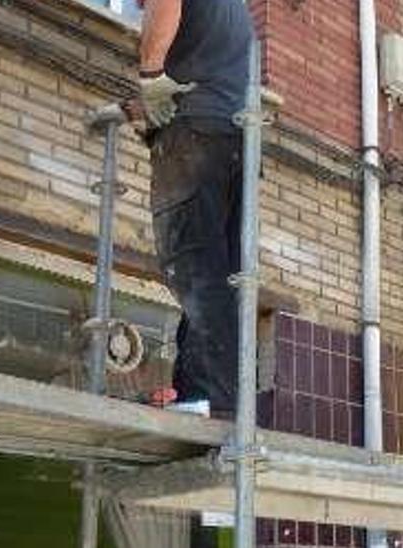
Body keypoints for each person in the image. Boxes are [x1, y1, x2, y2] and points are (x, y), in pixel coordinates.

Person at [131, 0, 255, 418]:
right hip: (236, 141)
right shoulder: (233, 10)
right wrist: (146, 106)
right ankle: (208, 397)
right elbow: (205, 74)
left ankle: (207, 398)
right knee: (220, 272)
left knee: (194, 265)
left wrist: (150, 75)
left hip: (196, 136)